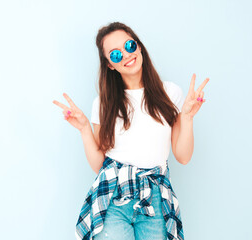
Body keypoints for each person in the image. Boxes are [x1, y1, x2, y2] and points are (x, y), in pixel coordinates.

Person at [53, 22, 209, 240]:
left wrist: (188, 117)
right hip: (113, 197)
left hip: (155, 198)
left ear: (139, 46)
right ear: (110, 65)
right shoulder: (103, 104)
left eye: (129, 45)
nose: (126, 55)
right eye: (116, 55)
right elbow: (100, 165)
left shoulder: (170, 93)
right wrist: (84, 129)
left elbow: (182, 156)